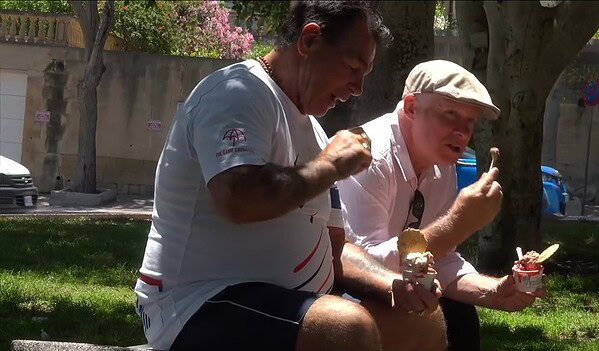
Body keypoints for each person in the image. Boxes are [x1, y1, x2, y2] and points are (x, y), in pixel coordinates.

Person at [134, 2, 448, 350]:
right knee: (346, 329)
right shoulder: (236, 93)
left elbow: (335, 250)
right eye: (352, 67)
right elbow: (237, 197)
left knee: (421, 321)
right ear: (309, 40)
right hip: (192, 304)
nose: (358, 87)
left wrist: (392, 284)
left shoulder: (314, 131)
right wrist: (329, 166)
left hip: (290, 302)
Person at [337, 60, 545, 351]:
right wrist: (458, 223)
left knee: (460, 317)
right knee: (427, 316)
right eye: (451, 114)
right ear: (411, 107)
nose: (462, 132)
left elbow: (441, 259)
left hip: (400, 287)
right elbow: (363, 267)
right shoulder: (368, 158)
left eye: (470, 121)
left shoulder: (440, 165)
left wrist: (493, 292)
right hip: (343, 295)